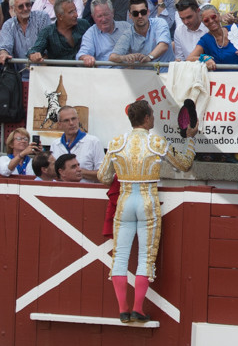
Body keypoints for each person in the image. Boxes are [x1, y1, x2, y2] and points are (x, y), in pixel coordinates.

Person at [98, 99, 199, 322]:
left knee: (120, 256)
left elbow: (103, 177)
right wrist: (190, 140)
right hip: (147, 201)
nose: (154, 118)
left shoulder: (116, 143)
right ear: (146, 118)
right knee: (145, 256)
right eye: (152, 115)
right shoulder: (156, 142)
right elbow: (184, 164)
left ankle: (123, 309)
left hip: (124, 201)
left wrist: (124, 174)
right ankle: (138, 308)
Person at [49, 103, 104, 178]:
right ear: (59, 124)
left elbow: (104, 174)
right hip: (61, 188)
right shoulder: (55, 144)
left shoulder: (93, 142)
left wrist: (78, 172)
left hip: (85, 189)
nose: (71, 123)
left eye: (73, 119)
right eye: (66, 120)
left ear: (78, 120)